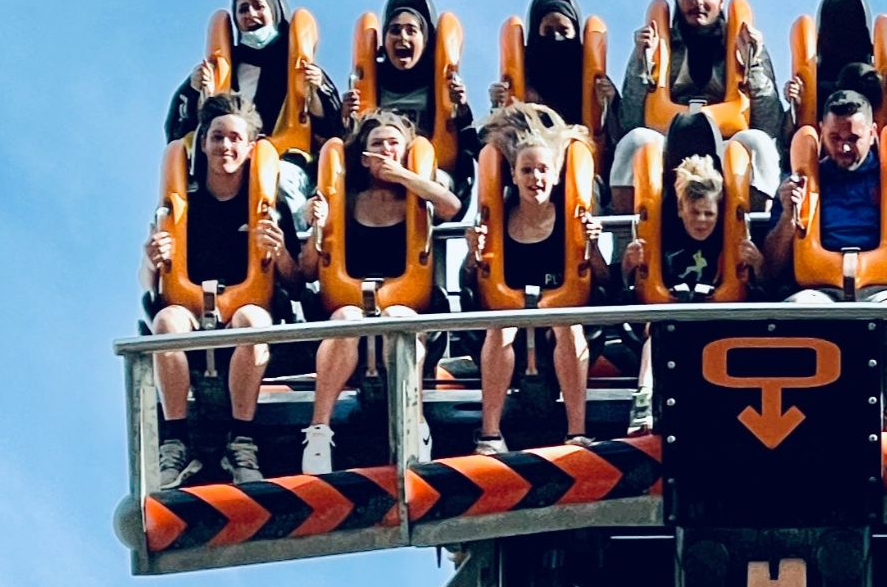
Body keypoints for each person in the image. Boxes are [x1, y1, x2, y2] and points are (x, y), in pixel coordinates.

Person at [142, 96, 307, 487]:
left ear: (250, 148)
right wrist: (152, 258)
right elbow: (149, 285)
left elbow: (297, 283)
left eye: (235, 139)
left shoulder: (268, 205)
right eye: (217, 138)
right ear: (203, 144)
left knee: (251, 320)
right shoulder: (183, 204)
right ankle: (176, 441)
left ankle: (241, 438)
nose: (225, 147)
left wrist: (279, 250)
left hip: (248, 314)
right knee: (167, 321)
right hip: (191, 311)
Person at [298, 110, 465, 474]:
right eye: (378, 144)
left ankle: (414, 425)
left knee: (398, 320)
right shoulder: (347, 198)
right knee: (345, 319)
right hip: (351, 306)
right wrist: (316, 228)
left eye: (394, 144)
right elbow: (307, 269)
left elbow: (452, 207)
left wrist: (404, 175)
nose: (386, 150)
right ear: (364, 155)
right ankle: (318, 430)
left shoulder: (416, 197)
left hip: (405, 305)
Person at [769, 64, 887, 431]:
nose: (843, 146)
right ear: (822, 132)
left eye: (854, 138)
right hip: (819, 288)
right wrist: (786, 218)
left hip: (881, 286)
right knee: (793, 314)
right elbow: (774, 267)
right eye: (835, 137)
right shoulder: (803, 179)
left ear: (873, 133)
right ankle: (802, 424)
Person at [467, 103, 609, 454]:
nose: (535, 179)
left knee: (567, 324)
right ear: (513, 176)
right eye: (527, 170)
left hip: (560, 321)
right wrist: (474, 253)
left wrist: (592, 246)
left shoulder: (571, 219)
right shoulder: (498, 219)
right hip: (509, 320)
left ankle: (577, 431)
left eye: (543, 170)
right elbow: (473, 283)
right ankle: (490, 435)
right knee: (502, 323)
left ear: (557, 175)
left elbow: (605, 282)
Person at [610, 0, 787, 211]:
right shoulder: (657, 43)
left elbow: (770, 124)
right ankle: (626, 240)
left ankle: (755, 236)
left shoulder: (745, 42)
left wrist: (753, 63)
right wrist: (641, 61)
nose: (698, 3)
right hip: (668, 140)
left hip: (727, 142)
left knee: (759, 143)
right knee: (635, 141)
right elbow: (630, 121)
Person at [619, 133, 765, 432]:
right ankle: (645, 401)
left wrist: (757, 264)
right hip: (668, 315)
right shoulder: (664, 236)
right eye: (695, 213)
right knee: (656, 331)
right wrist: (629, 264)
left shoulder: (731, 237)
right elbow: (627, 287)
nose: (701, 221)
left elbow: (763, 288)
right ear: (680, 210)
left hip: (716, 315)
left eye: (709, 213)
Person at [165, 0, 341, 149]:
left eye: (258, 6)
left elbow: (332, 127)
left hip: (288, 158)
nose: (251, 14)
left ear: (274, 11)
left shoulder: (302, 67)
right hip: (229, 157)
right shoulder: (222, 67)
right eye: (243, 9)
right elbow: (179, 128)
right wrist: (197, 91)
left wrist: (315, 90)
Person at [343, 0, 475, 187]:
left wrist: (462, 108)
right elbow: (348, 143)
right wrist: (346, 117)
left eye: (411, 31)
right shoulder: (369, 80)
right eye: (395, 30)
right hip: (377, 175)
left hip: (432, 172)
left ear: (425, 39)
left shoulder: (440, 83)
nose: (402, 38)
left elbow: (472, 145)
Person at [784, 0, 887, 149]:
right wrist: (795, 108)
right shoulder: (812, 88)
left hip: (872, 167)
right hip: (818, 163)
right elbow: (784, 142)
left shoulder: (877, 85)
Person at [488, 0, 618, 125]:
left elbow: (620, 130)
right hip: (528, 140)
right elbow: (486, 139)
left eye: (563, 30)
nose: (556, 36)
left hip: (581, 141)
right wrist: (498, 106)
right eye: (548, 30)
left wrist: (611, 101)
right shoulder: (521, 76)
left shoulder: (591, 77)